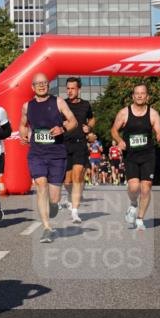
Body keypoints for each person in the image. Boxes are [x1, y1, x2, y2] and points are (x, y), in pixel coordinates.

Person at [20, 72, 77, 243]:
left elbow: (73, 121)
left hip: (57, 154)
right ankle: (46, 227)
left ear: (48, 85)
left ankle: (53, 205)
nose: (42, 85)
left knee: (54, 197)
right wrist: (24, 135)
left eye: (44, 83)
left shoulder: (58, 102)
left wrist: (63, 129)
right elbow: (23, 125)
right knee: (40, 185)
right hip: (37, 153)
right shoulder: (27, 106)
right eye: (38, 83)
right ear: (33, 87)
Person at [112, 83, 160, 230]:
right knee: (134, 187)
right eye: (137, 93)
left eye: (143, 93)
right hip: (131, 155)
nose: (140, 95)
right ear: (133, 96)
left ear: (147, 96)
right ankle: (133, 204)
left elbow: (158, 131)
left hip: (148, 155)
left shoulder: (153, 114)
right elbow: (114, 130)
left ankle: (140, 219)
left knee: (146, 187)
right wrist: (119, 141)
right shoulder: (124, 113)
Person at [60, 77, 96, 224]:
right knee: (67, 180)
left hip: (80, 144)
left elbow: (92, 119)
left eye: (72, 88)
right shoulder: (62, 104)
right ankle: (70, 196)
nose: (70, 91)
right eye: (68, 88)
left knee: (77, 177)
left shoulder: (85, 105)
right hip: (64, 144)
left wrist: (89, 127)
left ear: (78, 89)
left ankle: (75, 211)